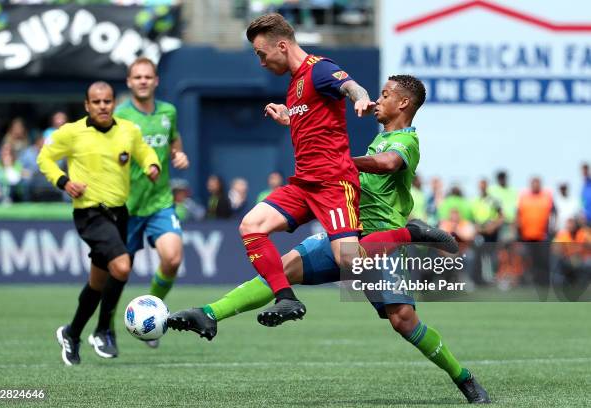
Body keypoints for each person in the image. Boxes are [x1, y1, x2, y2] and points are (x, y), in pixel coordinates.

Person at [169, 75, 489, 404]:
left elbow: (387, 164)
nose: (378, 100)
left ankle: (463, 377)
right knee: (281, 269)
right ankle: (209, 313)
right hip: (347, 231)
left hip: (381, 243)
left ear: (403, 103)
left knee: (403, 321)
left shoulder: (405, 141)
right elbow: (325, 139)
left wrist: (341, 163)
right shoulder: (380, 138)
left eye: (385, 95)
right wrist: (293, 121)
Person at [239, 14, 439, 326]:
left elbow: (351, 86)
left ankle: (408, 233)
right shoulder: (294, 87)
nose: (261, 62)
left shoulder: (319, 68)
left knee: (349, 261)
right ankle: (286, 298)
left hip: (332, 184)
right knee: (251, 225)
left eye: (261, 54)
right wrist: (290, 117)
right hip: (305, 183)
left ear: (281, 45)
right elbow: (314, 126)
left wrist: (360, 99)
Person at [37, 81, 160, 365]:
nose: (102, 106)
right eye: (96, 102)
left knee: (98, 281)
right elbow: (46, 158)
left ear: (114, 103)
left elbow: (143, 151)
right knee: (122, 266)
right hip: (90, 213)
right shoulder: (72, 132)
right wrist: (64, 181)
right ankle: (104, 330)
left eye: (107, 101)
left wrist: (152, 165)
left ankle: (72, 333)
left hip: (119, 214)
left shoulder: (128, 130)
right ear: (87, 105)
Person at [114, 57, 189, 348]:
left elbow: (174, 142)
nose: (143, 81)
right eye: (138, 77)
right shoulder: (120, 116)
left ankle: (152, 314)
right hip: (127, 205)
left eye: (148, 76)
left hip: (160, 202)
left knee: (172, 258)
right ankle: (104, 327)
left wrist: (178, 155)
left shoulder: (168, 111)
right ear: (129, 82)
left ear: (156, 81)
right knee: (117, 273)